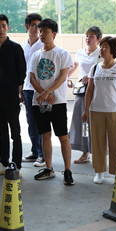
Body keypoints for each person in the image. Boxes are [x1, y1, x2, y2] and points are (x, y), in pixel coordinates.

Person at [29, 18, 75, 185]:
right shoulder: (36, 54)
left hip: (57, 102)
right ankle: (48, 168)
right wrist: (43, 93)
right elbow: (32, 77)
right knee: (45, 135)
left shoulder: (62, 53)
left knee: (63, 136)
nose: (42, 34)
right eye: (40, 31)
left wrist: (48, 91)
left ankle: (67, 170)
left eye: (45, 31)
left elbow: (63, 77)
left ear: (54, 34)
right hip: (39, 102)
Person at [82, 36, 116, 184]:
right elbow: (89, 91)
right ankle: (99, 171)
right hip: (96, 110)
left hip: (115, 111)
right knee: (98, 143)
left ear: (113, 50)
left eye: (105, 47)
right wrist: (86, 110)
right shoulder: (95, 68)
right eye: (101, 46)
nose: (101, 49)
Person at [0, 14, 27, 176]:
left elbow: (22, 72)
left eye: (4, 25)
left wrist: (16, 90)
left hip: (11, 96)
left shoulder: (15, 48)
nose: (1, 29)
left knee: (15, 133)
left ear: (8, 28)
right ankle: (3, 163)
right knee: (2, 132)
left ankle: (16, 165)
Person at [68, 26, 102, 165]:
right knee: (81, 121)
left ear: (98, 39)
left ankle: (97, 152)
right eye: (87, 36)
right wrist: (66, 78)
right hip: (81, 91)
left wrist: (90, 75)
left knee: (95, 122)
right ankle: (85, 152)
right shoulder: (80, 52)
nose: (88, 39)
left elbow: (103, 68)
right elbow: (74, 66)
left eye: (92, 36)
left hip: (96, 91)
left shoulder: (101, 53)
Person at [21, 13, 45, 165]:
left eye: (39, 26)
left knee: (41, 122)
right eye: (34, 25)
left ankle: (43, 154)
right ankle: (34, 151)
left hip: (40, 89)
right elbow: (21, 70)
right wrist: (20, 90)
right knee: (31, 122)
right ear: (27, 26)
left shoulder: (44, 45)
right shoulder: (22, 46)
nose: (37, 29)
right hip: (26, 88)